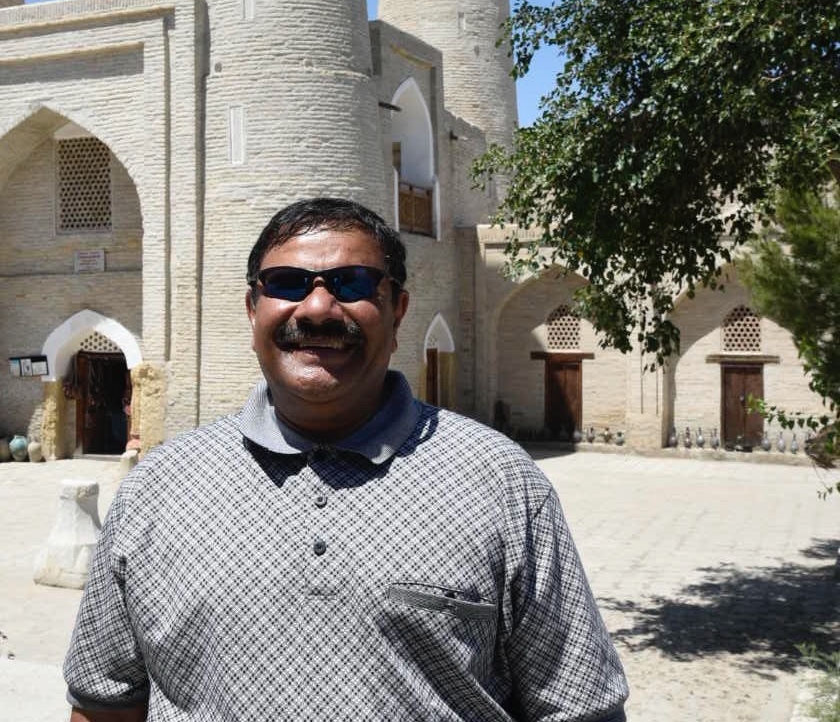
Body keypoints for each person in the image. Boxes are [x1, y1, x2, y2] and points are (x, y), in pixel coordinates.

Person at [64, 198, 629, 721]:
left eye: (351, 282)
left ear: (398, 307)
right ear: (252, 307)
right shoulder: (162, 487)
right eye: (285, 283)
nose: (316, 308)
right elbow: (105, 703)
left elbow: (577, 709)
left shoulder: (499, 483)